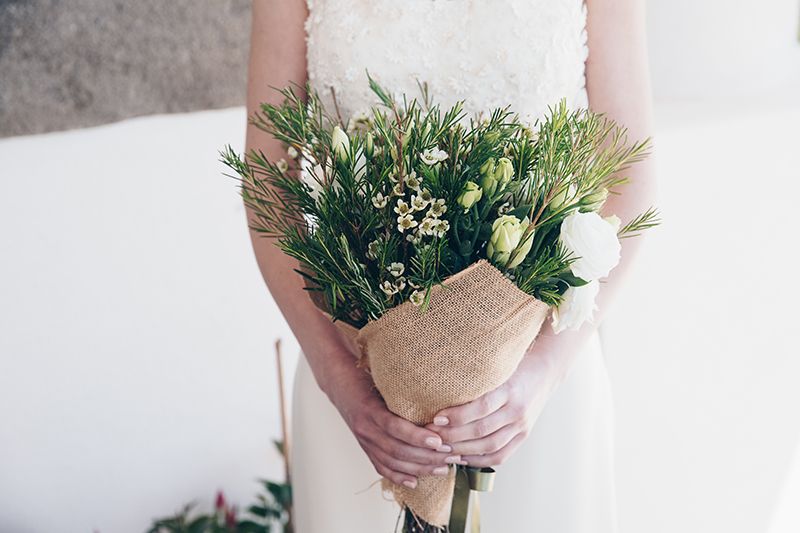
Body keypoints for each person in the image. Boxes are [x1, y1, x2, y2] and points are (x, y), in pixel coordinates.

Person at [243, 1, 656, 531]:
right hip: (358, 389)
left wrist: (542, 375)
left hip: (534, 388)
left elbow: (630, 180)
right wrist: (341, 380)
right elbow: (266, 188)